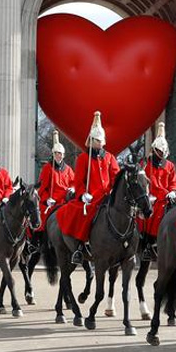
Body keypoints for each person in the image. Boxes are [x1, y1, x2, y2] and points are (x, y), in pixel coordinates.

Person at [56, 112, 120, 265]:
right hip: (90, 197)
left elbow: (116, 176)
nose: (100, 143)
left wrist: (114, 190)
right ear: (91, 141)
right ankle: (79, 246)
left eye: (101, 141)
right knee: (81, 213)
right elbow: (78, 181)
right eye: (97, 140)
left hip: (107, 196)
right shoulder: (83, 159)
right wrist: (83, 194)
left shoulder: (110, 157)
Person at [139, 122, 176, 261]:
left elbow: (174, 182)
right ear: (154, 150)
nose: (161, 154)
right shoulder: (146, 165)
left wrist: (173, 191)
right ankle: (147, 244)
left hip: (167, 197)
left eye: (163, 152)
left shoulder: (169, 166)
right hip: (153, 198)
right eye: (159, 151)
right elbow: (143, 183)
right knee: (151, 213)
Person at [36, 130, 75, 234]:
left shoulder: (69, 169)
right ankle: (40, 240)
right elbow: (42, 188)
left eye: (60, 154)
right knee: (42, 217)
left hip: (66, 201)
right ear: (53, 154)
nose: (59, 156)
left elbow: (74, 182)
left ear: (64, 155)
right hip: (51, 201)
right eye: (57, 153)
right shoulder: (47, 168)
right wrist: (46, 200)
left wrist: (73, 188)